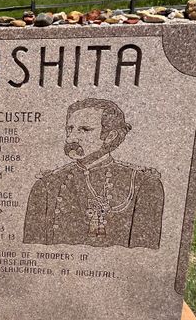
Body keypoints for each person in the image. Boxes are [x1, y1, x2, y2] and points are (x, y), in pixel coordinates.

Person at [23, 98, 163, 249]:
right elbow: (33, 249)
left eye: (84, 129)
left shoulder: (143, 183)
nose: (71, 138)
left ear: (110, 136)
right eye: (70, 129)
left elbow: (144, 254)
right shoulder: (47, 184)